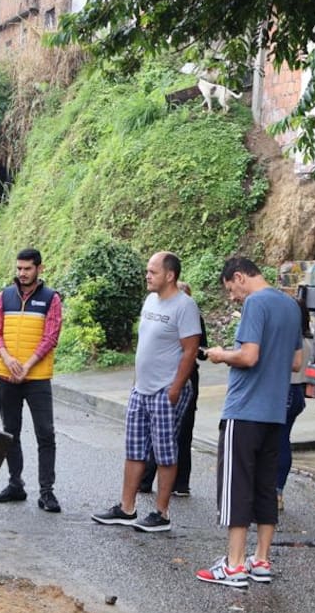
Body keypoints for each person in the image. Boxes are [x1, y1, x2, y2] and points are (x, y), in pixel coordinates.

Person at [195, 256, 302, 587]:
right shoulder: (290, 305)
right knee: (265, 487)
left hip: (244, 410)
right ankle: (261, 560)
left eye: (230, 290)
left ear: (239, 277)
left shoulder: (256, 303)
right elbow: (296, 362)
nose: (233, 298)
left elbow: (248, 356)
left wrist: (220, 354)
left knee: (236, 486)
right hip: (275, 411)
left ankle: (234, 565)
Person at [92, 251, 201, 532]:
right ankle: (126, 508)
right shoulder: (151, 300)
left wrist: (176, 388)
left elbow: (190, 351)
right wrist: (136, 382)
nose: (147, 276)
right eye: (147, 271)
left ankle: (161, 514)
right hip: (141, 389)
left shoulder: (185, 306)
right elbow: (146, 346)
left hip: (166, 389)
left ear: (170, 275)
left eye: (152, 272)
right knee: (134, 449)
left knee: (165, 452)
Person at [0, 247, 64, 513]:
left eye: (27, 269)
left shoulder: (51, 298)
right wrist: (8, 359)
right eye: (19, 268)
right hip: (6, 374)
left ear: (39, 269)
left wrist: (28, 365)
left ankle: (47, 492)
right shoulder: (4, 297)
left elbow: (50, 336)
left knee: (46, 433)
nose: (22, 273)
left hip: (38, 378)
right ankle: (15, 484)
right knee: (10, 432)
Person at [139, 280, 206, 497]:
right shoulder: (154, 308)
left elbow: (196, 349)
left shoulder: (191, 314)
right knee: (155, 432)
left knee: (179, 432)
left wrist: (176, 387)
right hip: (157, 375)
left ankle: (179, 484)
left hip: (182, 376)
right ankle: (146, 481)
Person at [276, 300, 313, 511]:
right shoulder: (307, 339)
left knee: (276, 442)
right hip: (297, 393)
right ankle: (277, 490)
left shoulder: (292, 340)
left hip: (285, 390)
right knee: (282, 440)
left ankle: (274, 492)